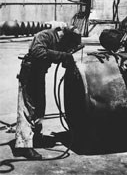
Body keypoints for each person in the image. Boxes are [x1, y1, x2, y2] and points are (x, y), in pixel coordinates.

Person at [13, 24, 81, 160]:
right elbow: (37, 52)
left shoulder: (60, 41)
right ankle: (24, 146)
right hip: (30, 73)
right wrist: (62, 55)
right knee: (27, 110)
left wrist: (66, 59)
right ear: (64, 37)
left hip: (39, 74)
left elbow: (54, 55)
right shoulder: (46, 36)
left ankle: (36, 138)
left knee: (39, 108)